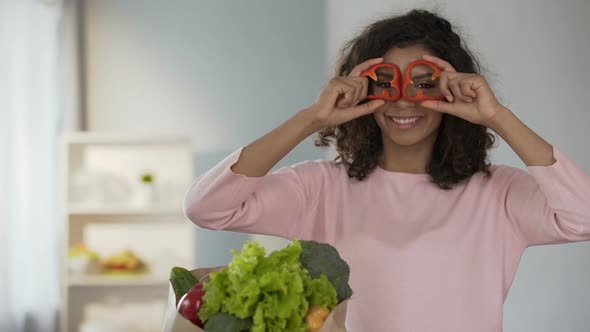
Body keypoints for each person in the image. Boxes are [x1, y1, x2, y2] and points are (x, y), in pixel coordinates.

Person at [183, 9, 590, 331]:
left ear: (452, 90)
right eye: (384, 83)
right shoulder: (321, 188)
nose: (403, 101)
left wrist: (497, 115)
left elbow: (583, 218)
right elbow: (207, 207)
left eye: (424, 83)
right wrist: (313, 117)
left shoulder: (498, 194)